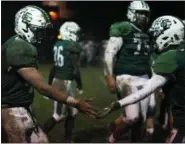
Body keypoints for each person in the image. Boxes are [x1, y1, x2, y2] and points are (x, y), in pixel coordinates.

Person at [2, 5, 99, 143]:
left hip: (18, 106)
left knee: (42, 140)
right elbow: (42, 87)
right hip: (11, 109)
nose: (41, 36)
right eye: (39, 31)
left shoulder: (15, 43)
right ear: (25, 26)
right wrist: (75, 102)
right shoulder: (20, 47)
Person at [101, 15, 185, 143]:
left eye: (157, 34)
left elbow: (145, 90)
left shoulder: (170, 57)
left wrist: (118, 104)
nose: (154, 38)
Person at [103, 1, 156, 142]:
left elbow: (148, 58)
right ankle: (112, 139)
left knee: (142, 119)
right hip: (126, 77)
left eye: (146, 14)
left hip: (144, 77)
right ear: (132, 13)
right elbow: (109, 54)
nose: (144, 17)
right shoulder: (124, 28)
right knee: (132, 118)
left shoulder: (147, 32)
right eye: (140, 13)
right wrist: (108, 76)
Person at [43, 21, 84, 142]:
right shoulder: (72, 46)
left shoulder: (58, 44)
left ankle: (67, 139)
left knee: (73, 113)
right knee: (57, 115)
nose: (77, 35)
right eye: (76, 32)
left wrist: (49, 82)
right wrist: (80, 85)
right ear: (70, 32)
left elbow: (53, 68)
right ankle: (37, 135)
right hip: (63, 83)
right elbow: (75, 69)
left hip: (61, 80)